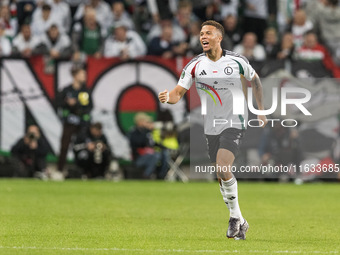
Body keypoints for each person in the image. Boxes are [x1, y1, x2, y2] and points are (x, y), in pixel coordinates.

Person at [158, 20, 268, 240]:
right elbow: (178, 93)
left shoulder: (236, 61)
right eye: (200, 34)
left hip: (235, 121)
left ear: (219, 37)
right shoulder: (194, 65)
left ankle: (234, 218)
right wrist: (168, 97)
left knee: (222, 165)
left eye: (208, 33)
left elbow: (255, 81)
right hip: (212, 125)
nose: (203, 37)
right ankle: (241, 220)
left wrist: (261, 110)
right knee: (220, 174)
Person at [56, 66, 93, 175]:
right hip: (69, 122)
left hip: (83, 123)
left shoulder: (85, 91)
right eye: (82, 75)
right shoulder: (67, 90)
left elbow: (89, 106)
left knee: (83, 145)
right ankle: (59, 170)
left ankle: (84, 171)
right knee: (64, 146)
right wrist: (67, 104)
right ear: (75, 76)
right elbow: (58, 103)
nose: (84, 77)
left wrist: (76, 104)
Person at [128, 112, 169, 179]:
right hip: (139, 157)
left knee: (164, 154)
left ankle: (161, 176)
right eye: (146, 121)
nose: (147, 123)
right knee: (156, 155)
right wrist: (146, 131)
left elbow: (153, 143)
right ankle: (145, 175)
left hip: (150, 154)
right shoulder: (134, 132)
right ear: (140, 122)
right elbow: (139, 143)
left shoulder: (148, 132)